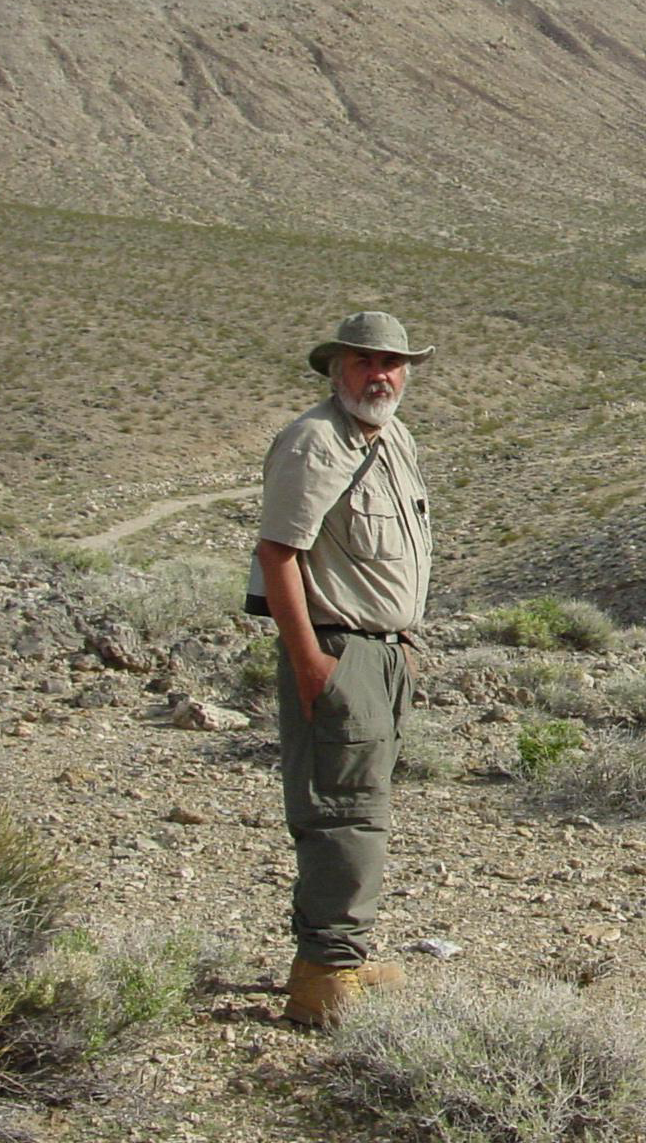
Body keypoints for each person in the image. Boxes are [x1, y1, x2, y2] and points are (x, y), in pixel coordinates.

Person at [245, 311, 433, 1027]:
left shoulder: (394, 438)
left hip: (386, 652)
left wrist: (404, 648)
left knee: (365, 813)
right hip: (337, 649)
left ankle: (338, 959)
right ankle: (323, 977)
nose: (379, 376)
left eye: (392, 363)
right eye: (363, 363)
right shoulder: (314, 442)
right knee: (342, 816)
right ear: (336, 370)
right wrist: (311, 665)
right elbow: (278, 555)